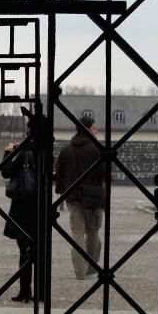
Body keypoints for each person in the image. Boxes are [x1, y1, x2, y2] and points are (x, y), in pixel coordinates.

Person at [54, 114, 105, 281]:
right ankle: (92, 267)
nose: (96, 131)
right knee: (93, 232)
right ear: (88, 129)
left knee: (78, 232)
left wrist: (62, 191)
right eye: (94, 128)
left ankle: (80, 272)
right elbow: (104, 174)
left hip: (73, 196)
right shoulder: (96, 149)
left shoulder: (66, 149)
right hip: (93, 197)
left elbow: (59, 174)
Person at [1, 136, 38, 302]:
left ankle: (25, 291)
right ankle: (41, 292)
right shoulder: (43, 154)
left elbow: (5, 172)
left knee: (25, 251)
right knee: (40, 251)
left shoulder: (24, 154)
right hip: (39, 206)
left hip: (23, 205)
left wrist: (8, 152)